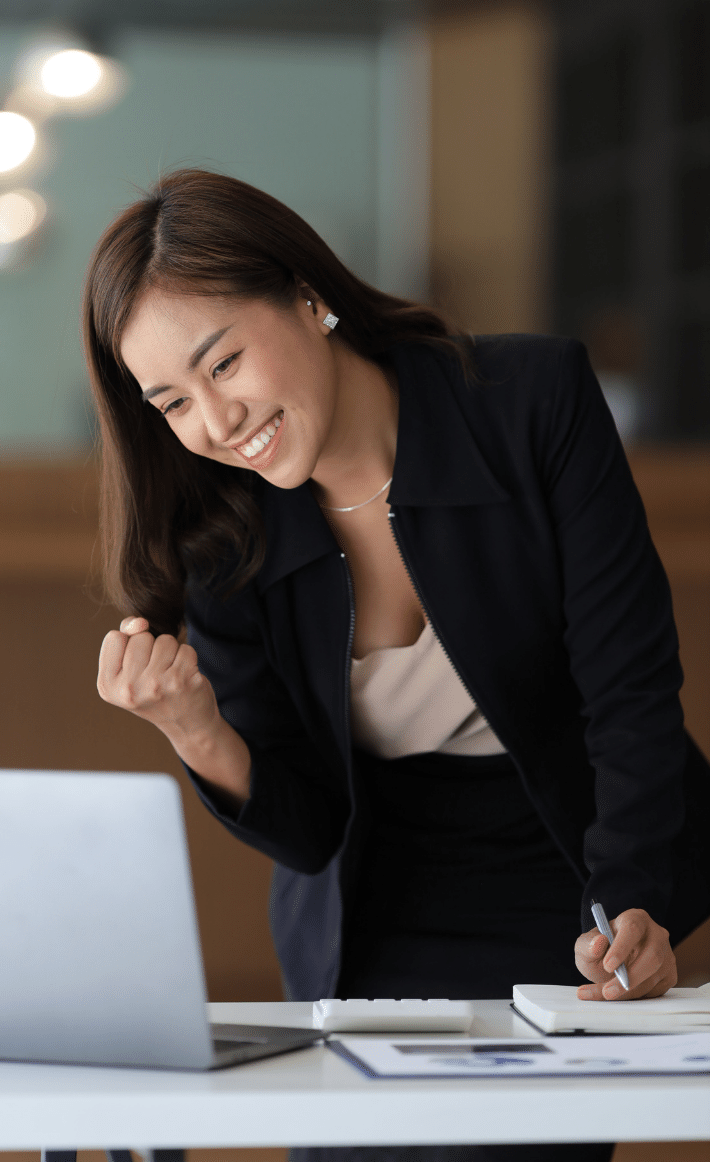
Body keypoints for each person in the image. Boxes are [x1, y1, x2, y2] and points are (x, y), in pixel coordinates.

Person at [85, 169, 710, 1162]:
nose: (216, 421)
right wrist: (195, 730)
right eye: (171, 400)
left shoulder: (526, 402)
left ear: (307, 296)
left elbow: (625, 685)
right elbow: (307, 829)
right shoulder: (219, 535)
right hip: (367, 911)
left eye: (225, 362)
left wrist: (629, 896)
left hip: (562, 879)